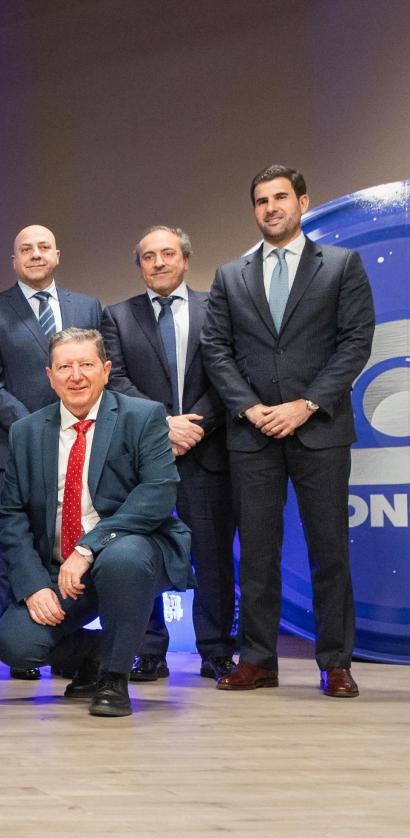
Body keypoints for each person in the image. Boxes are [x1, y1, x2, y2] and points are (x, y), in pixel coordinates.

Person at [203, 164, 376, 698]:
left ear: (303, 202)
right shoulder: (230, 275)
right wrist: (252, 409)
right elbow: (216, 349)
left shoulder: (342, 265)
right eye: (261, 200)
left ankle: (336, 661)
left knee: (329, 550)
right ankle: (257, 659)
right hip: (252, 434)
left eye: (280, 197)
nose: (271, 207)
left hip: (318, 429)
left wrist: (304, 405)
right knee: (255, 552)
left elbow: (354, 343)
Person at [0, 329, 191, 718]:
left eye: (86, 365)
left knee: (123, 558)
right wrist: (34, 586)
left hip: (130, 552)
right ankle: (97, 653)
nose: (76, 376)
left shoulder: (143, 416)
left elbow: (158, 493)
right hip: (59, 568)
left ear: (106, 370)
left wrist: (88, 547)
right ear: (50, 376)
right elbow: (12, 517)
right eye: (65, 367)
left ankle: (115, 679)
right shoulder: (26, 432)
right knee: (15, 645)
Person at [101, 226, 237, 682]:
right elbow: (114, 379)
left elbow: (228, 375)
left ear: (185, 259)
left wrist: (192, 425)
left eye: (167, 254)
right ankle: (148, 651)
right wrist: (163, 424)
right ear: (139, 265)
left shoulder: (216, 308)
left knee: (214, 558)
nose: (158, 263)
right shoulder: (117, 317)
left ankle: (217, 651)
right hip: (142, 460)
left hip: (206, 454)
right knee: (140, 555)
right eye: (148, 256)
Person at [0, 224, 103, 680]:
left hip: (85, 443)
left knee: (81, 543)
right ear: (14, 260)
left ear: (57, 254)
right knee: (17, 549)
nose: (35, 254)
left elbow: (101, 375)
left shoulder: (87, 307)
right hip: (14, 446)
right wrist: (35, 428)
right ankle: (21, 645)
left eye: (43, 246)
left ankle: (66, 643)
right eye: (25, 248)